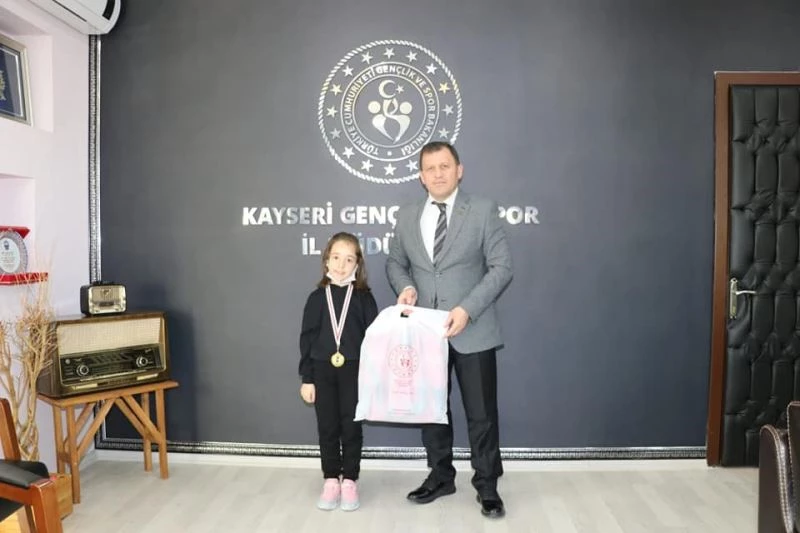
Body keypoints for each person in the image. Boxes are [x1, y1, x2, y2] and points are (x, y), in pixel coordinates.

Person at [385, 141, 513, 518]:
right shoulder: (407, 215)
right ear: (421, 177)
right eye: (430, 168)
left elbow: (502, 268)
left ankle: (487, 485)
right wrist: (406, 287)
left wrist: (466, 310)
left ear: (459, 170)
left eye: (445, 166)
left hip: (473, 328)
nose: (438, 173)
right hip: (425, 333)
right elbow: (395, 263)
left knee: (482, 414)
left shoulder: (483, 210)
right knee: (431, 411)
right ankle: (441, 476)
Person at [298, 232, 379, 511]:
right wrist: (307, 378)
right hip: (322, 371)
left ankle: (350, 481)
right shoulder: (316, 298)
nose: (341, 265)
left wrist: (373, 377)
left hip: (355, 372)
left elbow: (374, 340)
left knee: (351, 427)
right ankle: (331, 479)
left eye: (349, 259)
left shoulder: (364, 298)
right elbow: (307, 340)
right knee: (327, 427)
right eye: (336, 258)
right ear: (326, 261)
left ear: (358, 264)